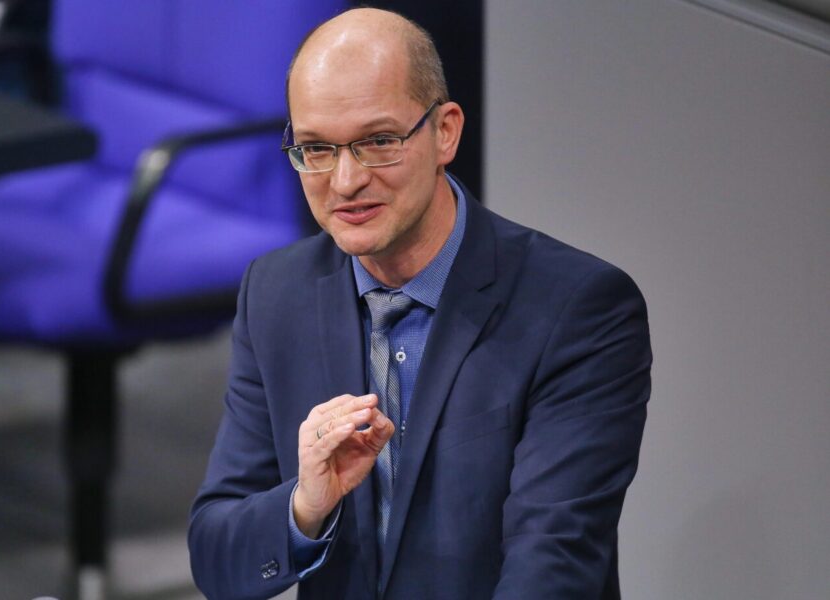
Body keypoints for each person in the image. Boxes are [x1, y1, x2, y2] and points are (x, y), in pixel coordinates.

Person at [189, 8, 651, 600]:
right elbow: (217, 559)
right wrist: (306, 507)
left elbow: (552, 566)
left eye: (378, 141)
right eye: (317, 149)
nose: (346, 180)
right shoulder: (277, 293)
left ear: (446, 132)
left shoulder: (578, 309)